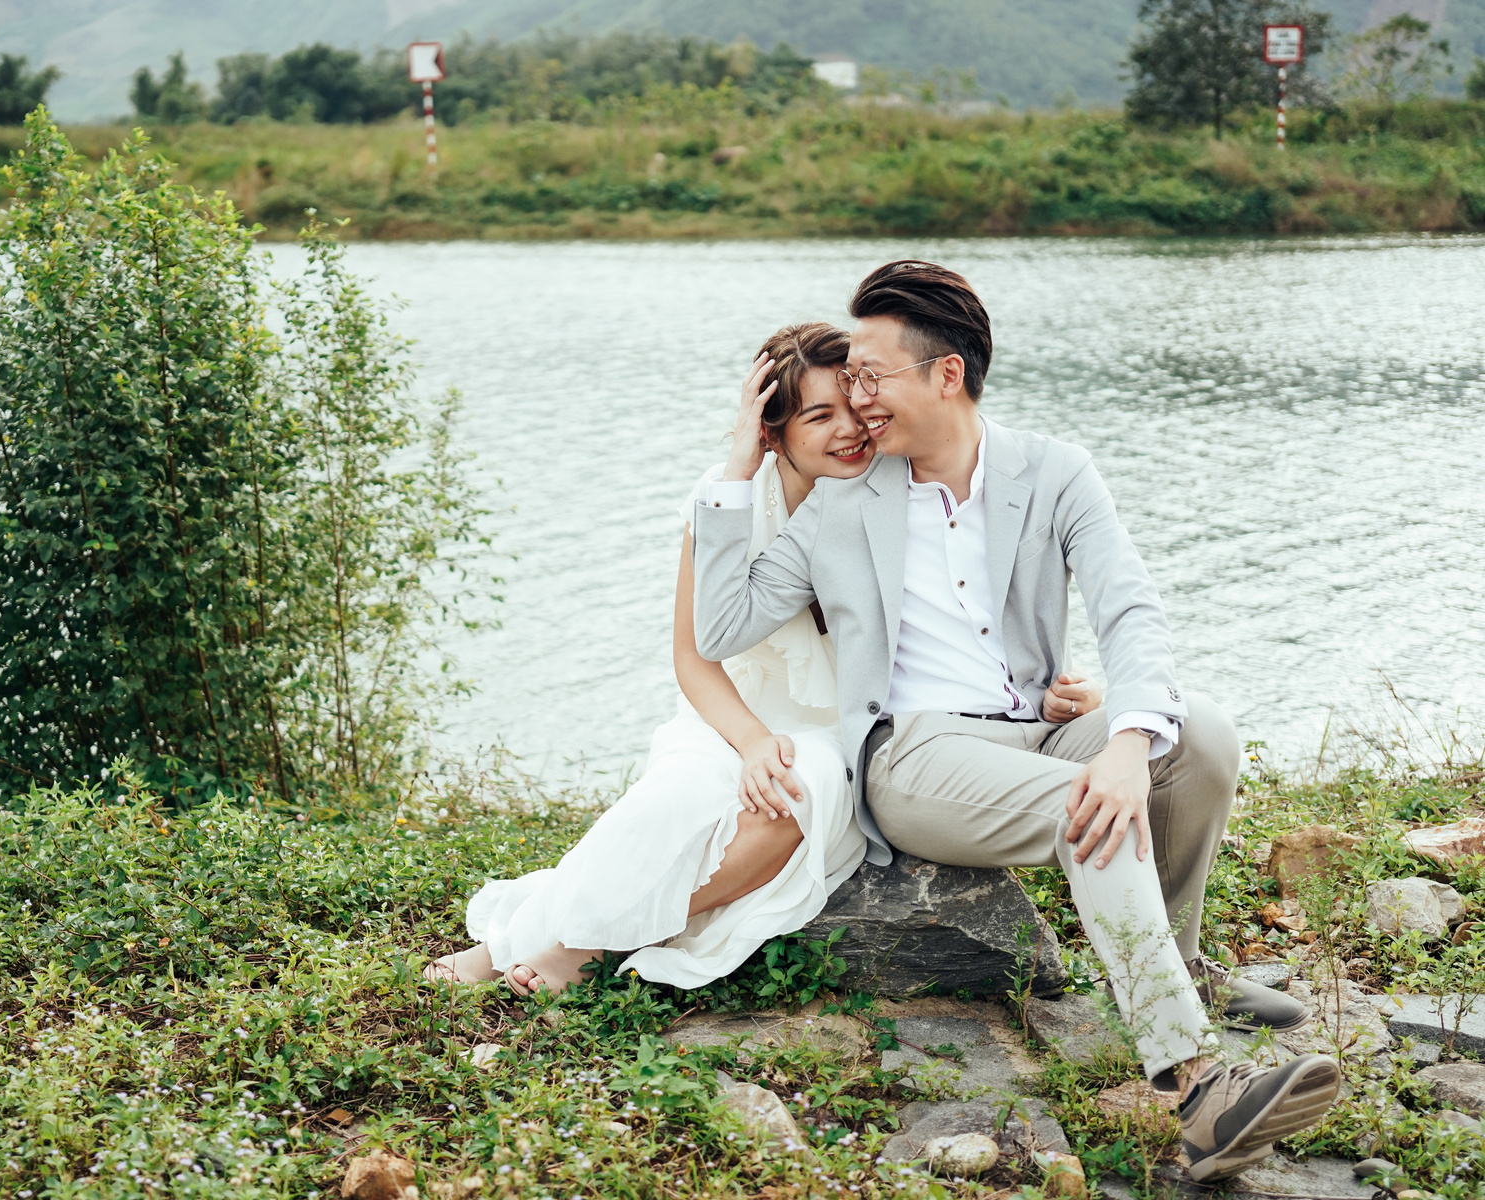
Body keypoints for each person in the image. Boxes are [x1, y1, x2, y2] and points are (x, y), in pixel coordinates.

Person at [691, 261, 1336, 1183]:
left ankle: (1180, 971)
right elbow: (723, 626)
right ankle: (1195, 1085)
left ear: (945, 374)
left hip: (1034, 726)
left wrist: (1123, 738)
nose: (857, 396)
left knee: (1202, 739)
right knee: (1091, 803)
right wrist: (741, 469)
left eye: (873, 376)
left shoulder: (1055, 471)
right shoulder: (842, 502)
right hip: (917, 755)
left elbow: (1131, 610)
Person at [427, 323, 1104, 996]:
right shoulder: (727, 498)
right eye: (818, 416)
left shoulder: (906, 489)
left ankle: (590, 944)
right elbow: (696, 659)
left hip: (851, 734)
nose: (851, 430)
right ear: (771, 431)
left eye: (860, 408)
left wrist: (1057, 696)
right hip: (738, 714)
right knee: (673, 803)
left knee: (789, 799)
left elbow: (973, 631)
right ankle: (507, 944)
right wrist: (751, 741)